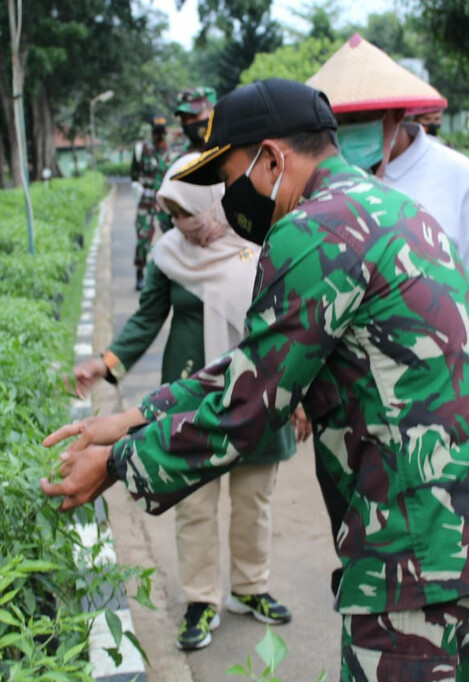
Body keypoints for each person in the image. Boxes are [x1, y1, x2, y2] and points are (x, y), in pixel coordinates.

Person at [40, 78, 469, 681]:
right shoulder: (387, 206)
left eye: (231, 178)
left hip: (423, 553)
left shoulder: (313, 231)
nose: (231, 199)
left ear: (273, 158)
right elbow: (258, 366)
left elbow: (247, 410)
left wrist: (119, 462)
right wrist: (132, 417)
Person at [74, 152, 298, 650]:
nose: (179, 225)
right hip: (188, 394)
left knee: (253, 499)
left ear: (215, 199)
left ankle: (251, 586)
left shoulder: (260, 242)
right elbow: (147, 318)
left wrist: (299, 395)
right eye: (172, 214)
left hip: (257, 388)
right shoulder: (168, 254)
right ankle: (201, 599)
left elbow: (291, 325)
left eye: (186, 211)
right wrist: (105, 362)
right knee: (194, 503)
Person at [306, 34, 469, 343]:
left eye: (361, 117)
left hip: (439, 378)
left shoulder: (463, 181)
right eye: (339, 120)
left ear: (396, 113)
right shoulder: (320, 181)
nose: (347, 131)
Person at [129, 117, 173, 291]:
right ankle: (140, 273)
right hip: (146, 200)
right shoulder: (142, 150)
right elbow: (133, 173)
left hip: (165, 200)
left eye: (162, 131)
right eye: (157, 131)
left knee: (170, 236)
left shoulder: (171, 152)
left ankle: (168, 276)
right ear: (153, 132)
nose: (160, 135)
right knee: (142, 237)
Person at [173, 86, 217, 154]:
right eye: (184, 118)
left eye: (193, 115)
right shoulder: (179, 157)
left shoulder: (232, 147)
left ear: (212, 111)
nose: (188, 122)